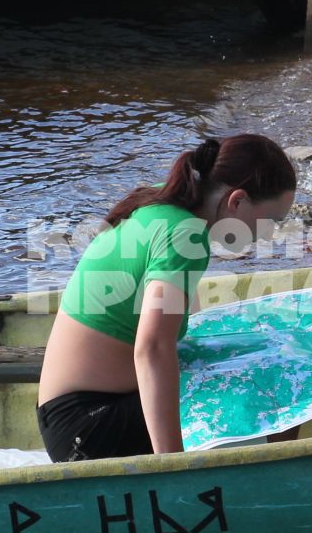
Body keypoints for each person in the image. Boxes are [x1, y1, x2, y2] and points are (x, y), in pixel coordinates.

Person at [36, 135, 298, 462]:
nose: (269, 234)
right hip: (89, 428)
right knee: (278, 377)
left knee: (267, 354)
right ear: (238, 201)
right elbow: (152, 348)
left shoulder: (162, 202)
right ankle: (279, 478)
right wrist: (173, 465)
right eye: (271, 220)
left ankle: (270, 469)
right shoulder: (186, 236)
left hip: (68, 416)